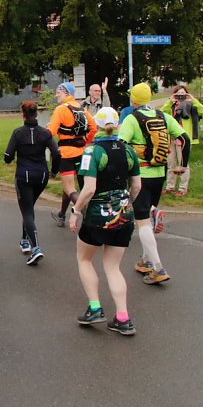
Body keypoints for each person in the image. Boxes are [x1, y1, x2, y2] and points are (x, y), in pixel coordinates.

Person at [69, 107, 142, 336]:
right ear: (117, 125)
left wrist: (75, 210)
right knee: (113, 267)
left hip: (98, 216)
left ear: (97, 126)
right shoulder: (128, 150)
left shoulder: (92, 152)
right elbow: (137, 185)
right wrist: (127, 202)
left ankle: (95, 308)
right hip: (124, 215)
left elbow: (89, 189)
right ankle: (123, 317)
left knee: (84, 259)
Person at [118, 82, 191, 286]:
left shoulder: (131, 119)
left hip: (139, 175)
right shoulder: (164, 116)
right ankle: (145, 261)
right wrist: (182, 165)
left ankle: (158, 268)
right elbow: (184, 139)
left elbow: (121, 146)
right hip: (160, 173)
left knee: (140, 221)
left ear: (133, 100)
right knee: (146, 215)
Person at [3, 101, 61, 265]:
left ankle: (35, 248)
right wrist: (54, 171)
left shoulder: (18, 133)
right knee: (29, 207)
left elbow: (8, 156)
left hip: (24, 176)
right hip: (42, 176)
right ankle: (24, 240)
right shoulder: (45, 133)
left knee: (27, 211)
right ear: (36, 114)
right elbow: (56, 154)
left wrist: (9, 158)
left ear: (23, 115)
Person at [48, 81, 97, 227]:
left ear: (66, 93)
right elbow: (93, 128)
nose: (56, 95)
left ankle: (88, 216)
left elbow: (51, 132)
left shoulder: (60, 110)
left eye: (58, 92)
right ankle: (61, 215)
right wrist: (86, 142)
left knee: (70, 189)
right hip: (82, 154)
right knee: (72, 187)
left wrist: (45, 131)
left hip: (66, 154)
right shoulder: (82, 108)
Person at [160, 84, 203, 197]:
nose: (180, 97)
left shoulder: (190, 106)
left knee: (183, 163)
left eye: (183, 94)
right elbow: (161, 113)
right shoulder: (171, 107)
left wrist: (193, 100)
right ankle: (170, 187)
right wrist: (170, 101)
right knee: (171, 163)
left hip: (184, 139)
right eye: (178, 94)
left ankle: (182, 188)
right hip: (171, 139)